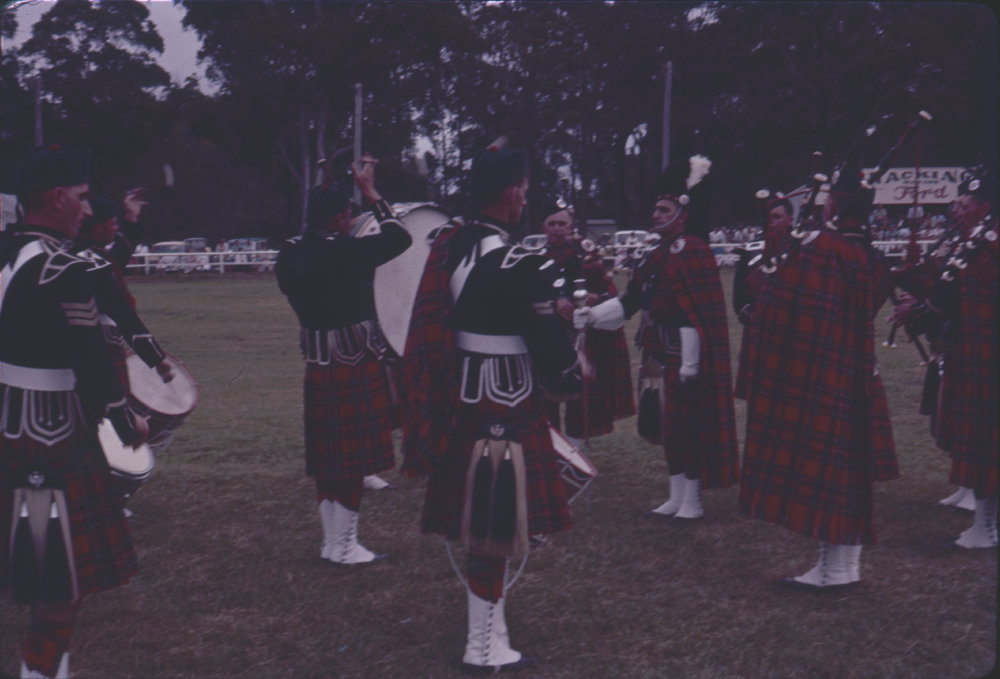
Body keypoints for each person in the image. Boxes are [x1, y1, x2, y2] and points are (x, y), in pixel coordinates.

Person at [399, 142, 582, 673]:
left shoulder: (451, 246)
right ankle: (482, 649)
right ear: (511, 192)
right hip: (507, 402)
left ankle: (493, 632)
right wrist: (573, 370)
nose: (526, 198)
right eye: (523, 189)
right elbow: (551, 347)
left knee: (488, 524)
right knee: (495, 529)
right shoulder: (520, 260)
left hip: (465, 399)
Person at [1, 145, 149, 679]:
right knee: (57, 584)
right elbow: (90, 357)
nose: (88, 210)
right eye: (84, 199)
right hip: (50, 435)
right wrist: (123, 419)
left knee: (42, 572)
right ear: (60, 197)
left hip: (10, 428)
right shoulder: (62, 263)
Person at [738, 169, 899, 589]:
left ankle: (832, 571)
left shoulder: (823, 249)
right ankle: (843, 569)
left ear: (833, 205)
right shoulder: (870, 255)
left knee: (831, 473)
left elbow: (778, 304)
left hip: (821, 374)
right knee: (850, 474)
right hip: (858, 372)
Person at [575, 155, 739, 520]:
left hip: (683, 356)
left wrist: (692, 363)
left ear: (681, 214)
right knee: (664, 423)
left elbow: (697, 313)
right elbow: (630, 302)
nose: (655, 215)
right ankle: (675, 494)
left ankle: (692, 501)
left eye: (663, 210)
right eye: (655, 209)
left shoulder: (693, 252)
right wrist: (593, 315)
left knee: (688, 426)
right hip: (654, 353)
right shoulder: (651, 256)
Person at [276, 156, 411, 565]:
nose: (352, 221)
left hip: (319, 363)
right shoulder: (348, 253)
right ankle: (346, 545)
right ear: (337, 219)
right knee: (351, 461)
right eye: (348, 215)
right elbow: (400, 237)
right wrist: (371, 193)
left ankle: (331, 543)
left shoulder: (289, 255)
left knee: (328, 460)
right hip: (354, 363)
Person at [890, 177, 997, 548]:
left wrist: (917, 308)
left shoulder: (987, 246)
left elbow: (952, 297)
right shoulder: (974, 244)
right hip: (974, 348)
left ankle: (985, 529)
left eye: (965, 205)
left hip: (984, 352)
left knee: (985, 439)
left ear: (985, 208)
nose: (956, 210)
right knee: (981, 438)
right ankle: (984, 523)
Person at [541, 205, 634, 446]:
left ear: (571, 227)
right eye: (552, 224)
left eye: (562, 224)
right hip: (548, 338)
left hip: (581, 337)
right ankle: (551, 452)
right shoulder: (536, 258)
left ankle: (575, 454)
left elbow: (606, 292)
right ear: (544, 228)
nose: (557, 229)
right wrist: (555, 300)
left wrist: (592, 299)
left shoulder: (586, 255)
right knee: (546, 398)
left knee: (578, 398)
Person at [731, 195, 794, 400]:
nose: (771, 221)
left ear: (790, 219)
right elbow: (738, 299)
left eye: (777, 216)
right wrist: (748, 314)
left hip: (792, 340)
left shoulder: (802, 250)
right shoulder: (750, 254)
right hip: (758, 339)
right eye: (769, 217)